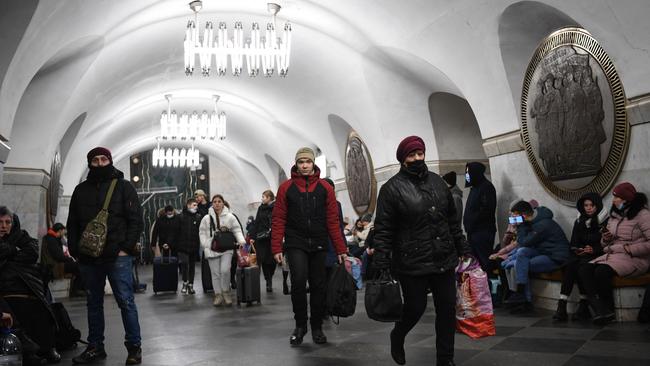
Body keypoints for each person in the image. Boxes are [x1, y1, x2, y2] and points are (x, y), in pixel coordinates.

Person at [372, 136, 470, 366]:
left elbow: (452, 221)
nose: (417, 158)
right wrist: (381, 262)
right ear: (403, 159)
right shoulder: (391, 189)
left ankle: (445, 359)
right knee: (415, 308)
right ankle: (398, 335)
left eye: (420, 153)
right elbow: (384, 229)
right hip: (412, 259)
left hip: (443, 256)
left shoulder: (437, 182)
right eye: (411, 155)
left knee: (446, 310)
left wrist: (462, 246)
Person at [67, 147, 144, 365]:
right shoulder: (80, 190)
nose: (100, 163)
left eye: (104, 159)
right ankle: (95, 347)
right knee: (93, 303)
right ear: (89, 163)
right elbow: (73, 223)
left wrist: (126, 248)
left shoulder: (123, 187)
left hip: (117, 256)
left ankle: (134, 347)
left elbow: (136, 220)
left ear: (109, 161)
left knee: (126, 301)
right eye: (95, 160)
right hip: (89, 258)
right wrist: (75, 250)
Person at [271, 147, 348, 346]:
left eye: (308, 161)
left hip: (319, 242)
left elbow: (333, 220)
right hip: (296, 242)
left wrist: (341, 249)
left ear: (314, 163)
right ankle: (300, 325)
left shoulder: (325, 188)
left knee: (318, 285)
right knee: (298, 282)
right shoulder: (286, 188)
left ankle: (316, 327)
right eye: (300, 162)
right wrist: (277, 247)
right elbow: (279, 218)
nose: (304, 165)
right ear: (296, 164)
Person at [579, 182, 650, 325]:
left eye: (617, 197)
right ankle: (601, 308)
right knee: (584, 269)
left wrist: (630, 249)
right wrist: (606, 239)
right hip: (614, 255)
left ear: (626, 199)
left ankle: (608, 309)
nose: (614, 200)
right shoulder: (614, 215)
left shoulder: (643, 215)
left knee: (601, 271)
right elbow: (605, 243)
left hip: (635, 258)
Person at [0, 207, 60, 365]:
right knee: (14, 310)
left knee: (42, 306)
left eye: (7, 222)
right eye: (0, 222)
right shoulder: (15, 242)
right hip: (5, 287)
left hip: (26, 282)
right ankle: (28, 351)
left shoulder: (20, 235)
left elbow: (32, 251)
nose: (4, 226)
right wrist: (14, 250)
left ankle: (48, 346)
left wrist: (8, 255)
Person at [506, 200, 570, 314]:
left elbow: (525, 241)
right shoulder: (531, 220)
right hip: (542, 250)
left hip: (555, 256)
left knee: (522, 265)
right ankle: (522, 296)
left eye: (516, 216)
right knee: (522, 253)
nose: (514, 219)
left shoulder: (542, 225)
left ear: (524, 215)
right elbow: (524, 245)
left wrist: (520, 226)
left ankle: (524, 299)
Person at [553, 192, 606, 321]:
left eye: (592, 205)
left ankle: (583, 305)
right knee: (570, 265)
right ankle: (562, 304)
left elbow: (608, 244)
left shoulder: (604, 221)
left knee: (580, 266)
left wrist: (593, 249)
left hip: (598, 255)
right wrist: (577, 249)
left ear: (597, 206)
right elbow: (574, 241)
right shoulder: (579, 221)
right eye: (586, 205)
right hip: (582, 255)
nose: (588, 208)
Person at [199, 194, 246, 306]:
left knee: (225, 270)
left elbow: (237, 230)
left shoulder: (230, 216)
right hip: (212, 248)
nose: (217, 203)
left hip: (227, 248)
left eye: (219, 201)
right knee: (215, 274)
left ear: (223, 203)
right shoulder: (206, 218)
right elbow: (202, 232)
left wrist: (241, 242)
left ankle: (226, 292)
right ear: (212, 203)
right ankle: (218, 295)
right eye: (215, 201)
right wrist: (206, 244)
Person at [463, 162, 497, 272]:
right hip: (473, 232)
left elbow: (486, 209)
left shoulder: (486, 187)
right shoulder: (475, 188)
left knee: (484, 261)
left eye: (468, 172)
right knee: (475, 263)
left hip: (482, 232)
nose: (467, 175)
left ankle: (488, 287)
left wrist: (472, 221)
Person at [249, 190, 276, 292]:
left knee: (272, 261)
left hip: (272, 238)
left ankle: (270, 276)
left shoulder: (276, 207)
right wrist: (252, 236)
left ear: (269, 198)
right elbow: (257, 222)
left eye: (264, 197)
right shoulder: (261, 208)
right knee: (263, 260)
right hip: (261, 238)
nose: (262, 199)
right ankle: (268, 281)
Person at [177, 199, 202, 295]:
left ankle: (191, 285)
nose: (196, 207)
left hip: (194, 245)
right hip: (182, 245)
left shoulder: (198, 217)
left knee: (192, 265)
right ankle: (185, 282)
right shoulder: (181, 217)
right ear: (188, 205)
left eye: (196, 205)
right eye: (194, 205)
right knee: (184, 263)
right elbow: (176, 231)